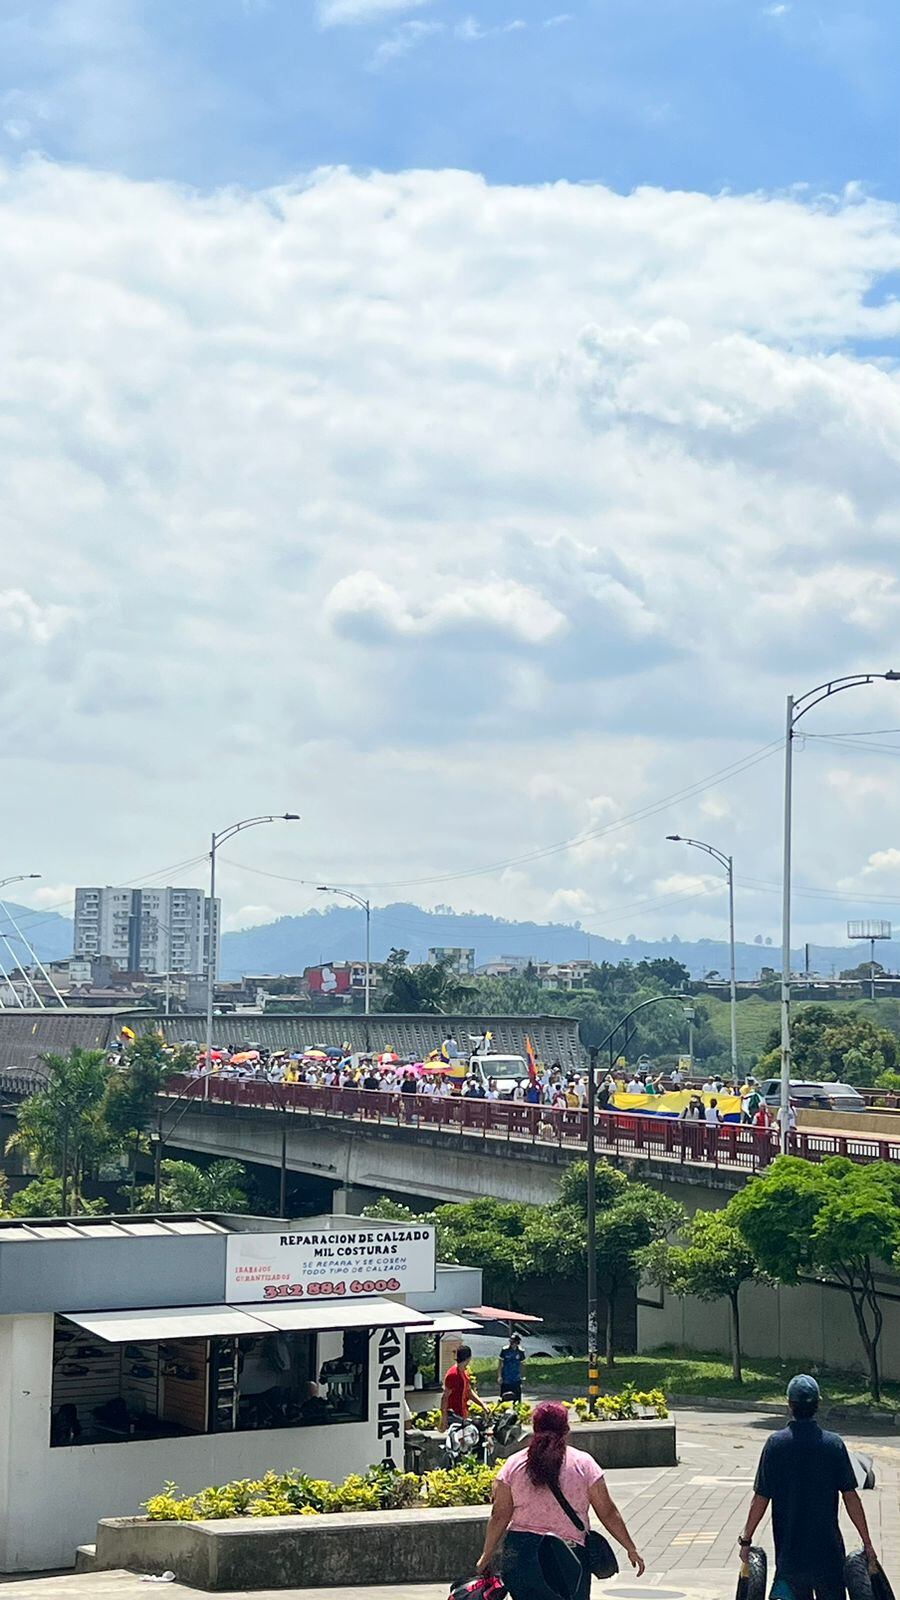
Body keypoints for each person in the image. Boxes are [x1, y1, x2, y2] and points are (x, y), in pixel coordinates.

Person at [476, 1401, 644, 1600]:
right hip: (568, 1556)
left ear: (535, 1429)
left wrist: (486, 1555)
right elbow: (607, 1511)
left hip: (521, 1554)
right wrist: (630, 1548)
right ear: (566, 1430)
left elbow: (499, 1515)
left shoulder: (514, 1464)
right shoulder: (583, 1463)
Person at [738, 1374, 876, 1600]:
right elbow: (851, 1498)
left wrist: (746, 1540)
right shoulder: (833, 1445)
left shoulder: (776, 1445)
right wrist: (867, 1544)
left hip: (790, 1561)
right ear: (818, 1405)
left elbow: (760, 1499)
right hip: (829, 1559)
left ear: (790, 1405)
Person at [441, 1344, 484, 1428]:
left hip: (462, 1415)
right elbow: (445, 1397)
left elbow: (468, 1391)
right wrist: (444, 1417)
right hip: (454, 1416)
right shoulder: (453, 1374)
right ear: (468, 1358)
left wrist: (482, 1404)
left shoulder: (464, 1372)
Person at [497, 1332, 527, 1402]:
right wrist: (499, 1376)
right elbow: (500, 1364)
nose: (512, 1344)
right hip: (506, 1378)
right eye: (511, 1342)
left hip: (516, 1378)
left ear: (517, 1342)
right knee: (505, 1397)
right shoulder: (505, 1350)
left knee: (517, 1398)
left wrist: (523, 1376)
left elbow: (523, 1364)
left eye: (514, 1342)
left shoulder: (520, 1351)